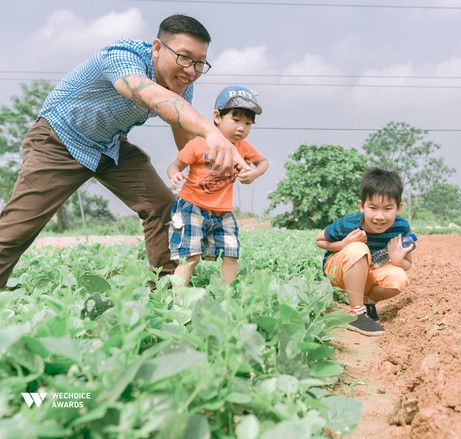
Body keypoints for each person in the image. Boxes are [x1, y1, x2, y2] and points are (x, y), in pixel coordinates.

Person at [0, 14, 249, 289]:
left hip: (109, 146)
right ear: (157, 48)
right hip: (60, 140)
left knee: (162, 205)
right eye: (183, 57)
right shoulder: (122, 56)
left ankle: (166, 295)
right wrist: (212, 132)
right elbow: (151, 96)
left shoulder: (182, 88)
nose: (190, 70)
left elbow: (187, 144)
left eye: (199, 63)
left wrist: (221, 165)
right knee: (17, 229)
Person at [167, 86, 269, 287]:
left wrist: (254, 174)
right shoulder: (199, 143)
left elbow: (263, 162)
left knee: (231, 253)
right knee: (190, 257)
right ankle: (177, 302)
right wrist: (175, 175)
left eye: (248, 123)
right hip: (192, 206)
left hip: (222, 211)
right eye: (236, 120)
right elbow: (175, 165)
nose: (242, 127)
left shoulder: (244, 148)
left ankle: (229, 297)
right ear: (217, 117)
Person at [316, 168, 415, 336]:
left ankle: (367, 301)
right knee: (358, 248)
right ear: (362, 206)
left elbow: (408, 264)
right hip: (338, 273)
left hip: (368, 274)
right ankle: (357, 314)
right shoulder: (349, 224)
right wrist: (344, 243)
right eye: (373, 208)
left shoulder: (401, 227)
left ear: (399, 208)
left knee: (399, 277)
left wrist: (398, 260)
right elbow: (319, 240)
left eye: (387, 209)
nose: (380, 216)